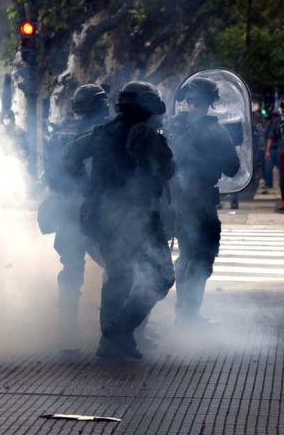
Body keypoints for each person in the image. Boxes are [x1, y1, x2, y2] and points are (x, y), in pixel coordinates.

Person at [64, 81, 175, 360]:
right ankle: (121, 330)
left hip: (102, 215)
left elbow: (68, 159)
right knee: (162, 277)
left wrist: (86, 187)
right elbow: (167, 168)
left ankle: (109, 343)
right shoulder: (144, 133)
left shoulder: (102, 132)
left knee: (119, 276)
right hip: (135, 216)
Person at [38, 84, 109, 345]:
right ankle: (112, 329)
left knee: (71, 270)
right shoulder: (103, 133)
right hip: (94, 209)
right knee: (114, 266)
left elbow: (52, 174)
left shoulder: (60, 132)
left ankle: (68, 329)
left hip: (67, 210)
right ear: (102, 106)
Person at [166, 78, 240, 326]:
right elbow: (232, 168)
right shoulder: (215, 131)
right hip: (201, 205)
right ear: (211, 102)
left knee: (186, 254)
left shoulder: (171, 127)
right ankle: (189, 315)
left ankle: (182, 312)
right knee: (202, 258)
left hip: (173, 201)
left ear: (187, 101)